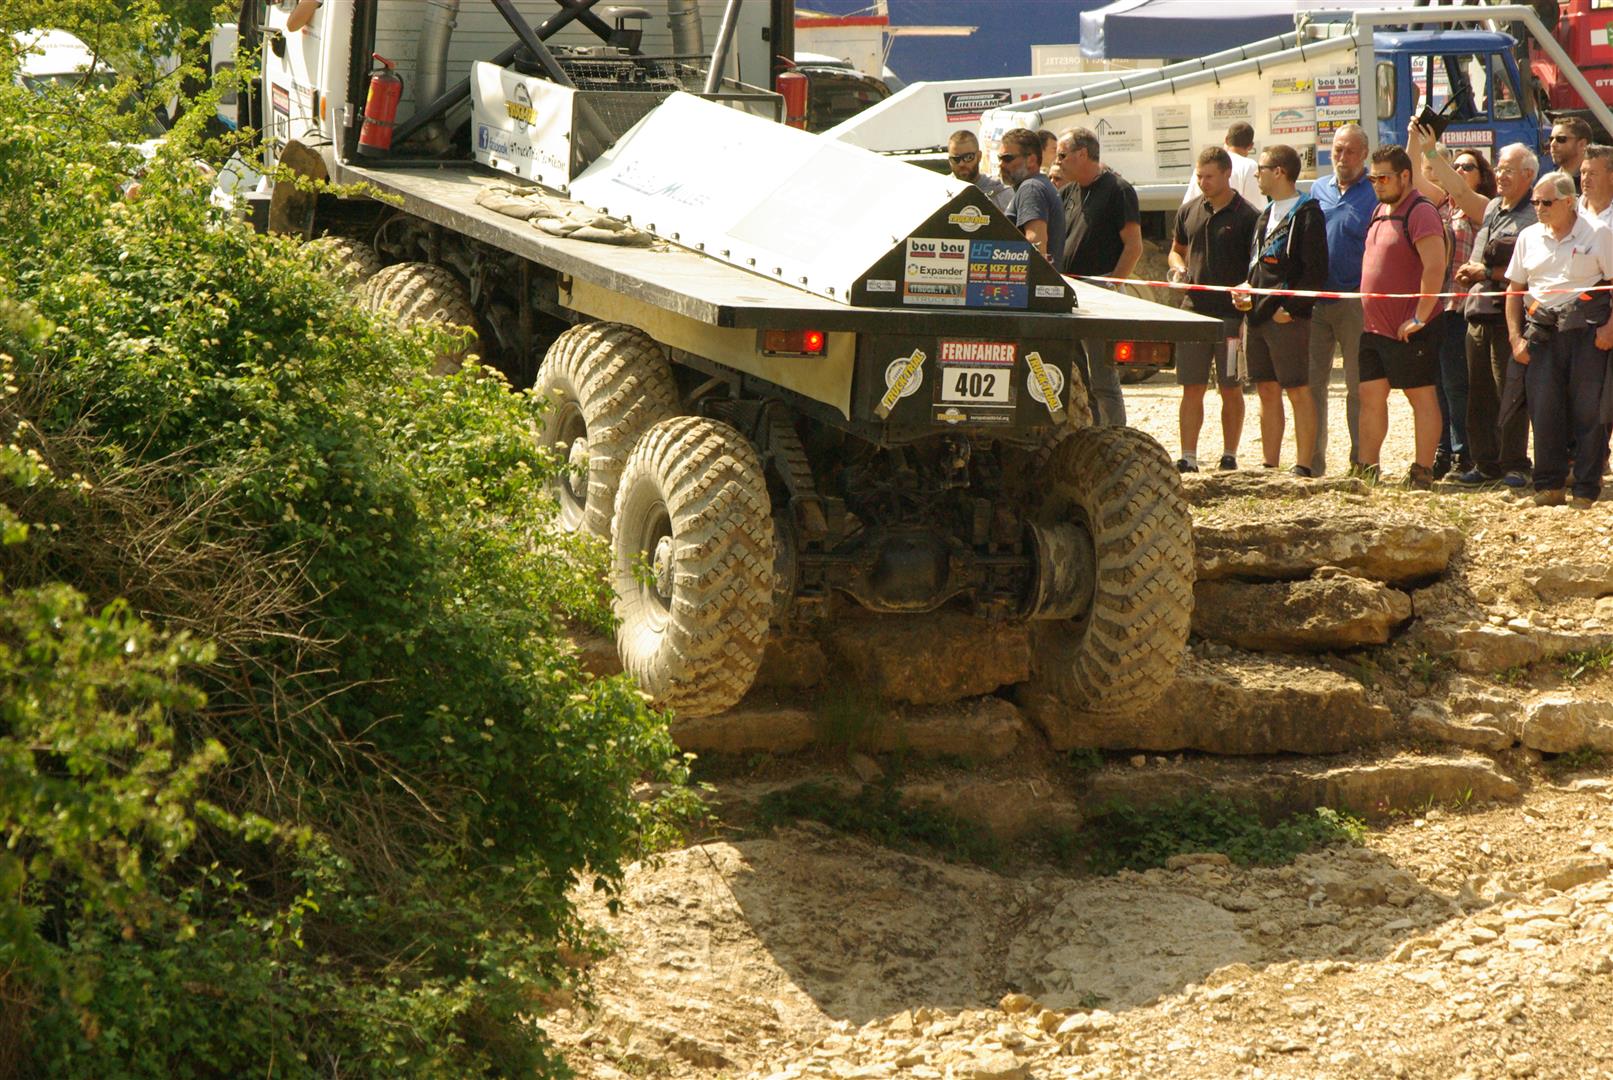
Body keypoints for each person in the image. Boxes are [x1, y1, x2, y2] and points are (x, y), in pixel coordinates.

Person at [1504, 170, 1613, 508]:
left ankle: (1585, 488)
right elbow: (1513, 289)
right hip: (1542, 334)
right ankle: (1548, 486)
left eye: (1546, 202)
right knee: (1544, 411)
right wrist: (1514, 338)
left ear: (1568, 202)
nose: (1538, 207)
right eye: (1535, 201)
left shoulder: (1599, 234)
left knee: (1590, 413)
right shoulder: (1528, 237)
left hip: (1587, 333)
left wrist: (1610, 329)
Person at [1354, 144, 1449, 490]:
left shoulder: (1421, 212)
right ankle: (1367, 469)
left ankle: (1422, 471)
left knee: (1420, 395)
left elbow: (1435, 266)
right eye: (1373, 178)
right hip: (1374, 327)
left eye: (1383, 177)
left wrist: (1420, 316)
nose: (1377, 184)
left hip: (1411, 327)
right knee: (1370, 396)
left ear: (1405, 176)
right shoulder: (1380, 209)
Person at [1232, 144, 1328, 476]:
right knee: (1266, 389)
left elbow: (1315, 270)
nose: (1255, 174)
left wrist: (1291, 307)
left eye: (1261, 168)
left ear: (1280, 172)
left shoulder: (1307, 212)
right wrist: (1246, 290)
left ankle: (1303, 464)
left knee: (1298, 389)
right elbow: (1258, 265)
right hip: (1256, 315)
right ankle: (1269, 464)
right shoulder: (1264, 213)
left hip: (1286, 318)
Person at [1408, 123, 1495, 479]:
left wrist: (1433, 153)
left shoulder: (1483, 208)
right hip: (1439, 309)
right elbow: (1413, 176)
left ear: (1481, 175)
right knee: (1440, 385)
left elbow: (1458, 189)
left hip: (1464, 309)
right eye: (1455, 166)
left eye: (1466, 166)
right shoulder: (1441, 205)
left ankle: (1466, 453)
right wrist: (1415, 139)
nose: (1459, 172)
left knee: (1460, 386)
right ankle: (1445, 449)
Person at [1168, 146, 1259, 472]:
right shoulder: (1189, 210)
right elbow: (1175, 251)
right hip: (1192, 312)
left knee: (1230, 386)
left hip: (1230, 317)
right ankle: (1188, 456)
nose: (1203, 182)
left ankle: (1229, 454)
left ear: (1226, 175)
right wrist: (1178, 268)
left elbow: (1256, 267)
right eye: (1199, 176)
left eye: (1209, 176)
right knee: (1191, 387)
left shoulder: (1248, 216)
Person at [1453, 143, 1538, 487]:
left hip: (1511, 314)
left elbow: (1531, 269)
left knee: (1511, 391)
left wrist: (1485, 273)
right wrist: (1471, 274)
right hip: (1478, 311)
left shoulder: (1534, 214)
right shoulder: (1491, 207)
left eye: (1508, 170)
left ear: (1528, 175)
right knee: (1479, 392)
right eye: (1499, 168)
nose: (1500, 175)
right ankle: (1484, 461)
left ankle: (1515, 462)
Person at [1059, 126, 1142, 426]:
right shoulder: (1068, 191)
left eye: (1063, 155)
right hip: (1069, 288)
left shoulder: (1118, 190)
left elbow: (1134, 246)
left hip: (1099, 291)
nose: (1058, 162)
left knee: (1103, 377)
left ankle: (1116, 435)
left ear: (1082, 154)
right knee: (1076, 373)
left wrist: (1111, 286)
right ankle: (1087, 434)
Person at [1307, 123, 1376, 475]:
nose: (1342, 157)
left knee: (1357, 386)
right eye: (1337, 149)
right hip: (1317, 302)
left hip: (1355, 302)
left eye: (1350, 151)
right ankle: (1312, 463)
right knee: (1311, 386)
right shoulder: (1317, 189)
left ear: (1363, 154)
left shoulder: (1374, 192)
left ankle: (1361, 462)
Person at [997, 127, 1064, 262]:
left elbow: (1036, 244)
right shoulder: (1038, 185)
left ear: (1031, 160)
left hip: (1034, 281)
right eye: (1000, 158)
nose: (1001, 164)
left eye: (1007, 158)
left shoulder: (1031, 188)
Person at [1179, 121, 1266, 211]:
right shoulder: (1250, 166)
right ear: (1251, 146)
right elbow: (1257, 207)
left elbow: (1188, 206)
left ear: (1226, 140)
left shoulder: (1204, 165)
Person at [946, 129, 1012, 213]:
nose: (961, 164)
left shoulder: (1000, 191)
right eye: (955, 159)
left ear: (979, 156)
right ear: (949, 160)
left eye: (968, 157)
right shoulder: (940, 191)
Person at [1549, 117, 1592, 193]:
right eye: (1551, 139)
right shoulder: (1548, 182)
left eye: (1561, 139)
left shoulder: (1598, 182)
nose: (1553, 144)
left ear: (1582, 144)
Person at [1581, 144, 1613, 229]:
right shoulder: (1568, 211)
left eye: (1592, 173)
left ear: (1611, 177)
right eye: (1583, 172)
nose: (1585, 179)